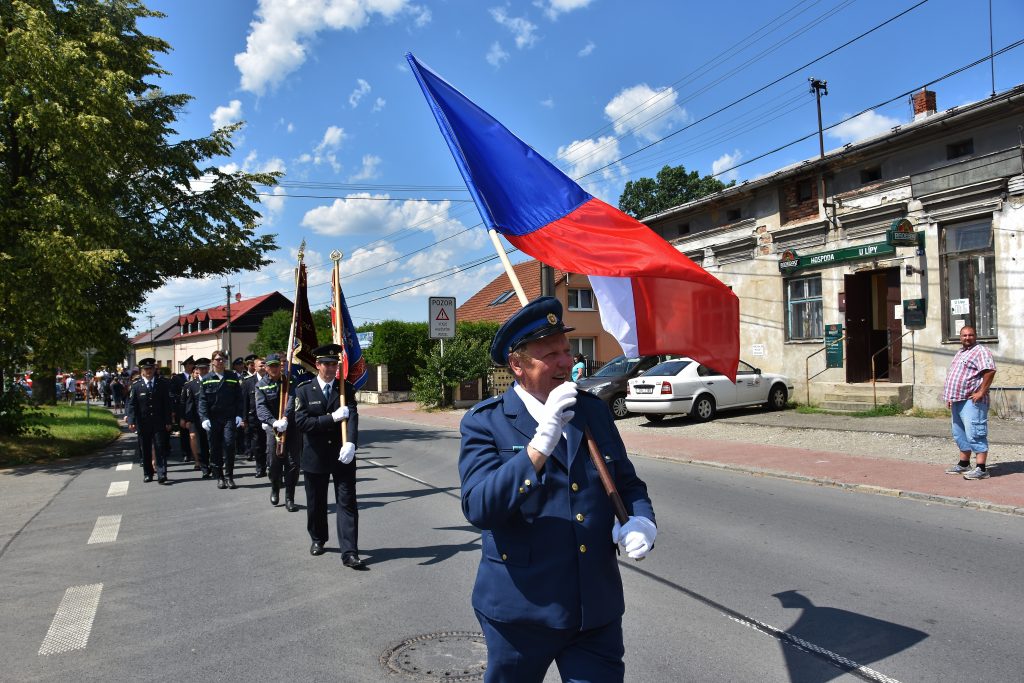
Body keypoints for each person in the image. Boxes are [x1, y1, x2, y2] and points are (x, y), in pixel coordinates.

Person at [459, 296, 656, 683]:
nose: (566, 361)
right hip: (521, 612)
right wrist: (540, 444)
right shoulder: (485, 422)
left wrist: (642, 521)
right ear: (517, 365)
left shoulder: (591, 410)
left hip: (593, 609)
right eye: (550, 354)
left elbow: (628, 483)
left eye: (566, 350)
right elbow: (480, 507)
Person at [294, 343, 365, 568]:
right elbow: (301, 422)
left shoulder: (346, 389)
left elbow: (352, 416)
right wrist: (331, 418)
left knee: (347, 503)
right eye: (326, 364)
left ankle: (350, 551)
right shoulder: (304, 390)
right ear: (317, 365)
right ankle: (318, 538)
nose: (331, 368)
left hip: (342, 454)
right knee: (316, 503)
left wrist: (351, 443)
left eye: (334, 364)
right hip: (315, 456)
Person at [943, 325, 997, 480]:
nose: (967, 338)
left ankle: (981, 469)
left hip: (972, 401)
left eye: (970, 335)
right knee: (959, 433)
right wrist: (950, 397)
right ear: (960, 337)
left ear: (975, 336)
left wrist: (981, 392)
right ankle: (964, 463)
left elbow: (990, 370)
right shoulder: (960, 352)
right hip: (957, 400)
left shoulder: (981, 351)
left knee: (975, 433)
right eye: (964, 335)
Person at [255, 353, 300, 511]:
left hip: (291, 428)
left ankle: (290, 497)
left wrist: (286, 418)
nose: (274, 368)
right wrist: (273, 422)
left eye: (276, 365)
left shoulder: (289, 381)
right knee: (274, 463)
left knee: (293, 464)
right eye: (271, 366)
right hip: (273, 429)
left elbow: (292, 400)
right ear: (266, 368)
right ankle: (275, 486)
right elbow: (260, 407)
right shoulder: (261, 385)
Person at [198, 350, 244, 489]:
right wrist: (204, 418)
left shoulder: (232, 377)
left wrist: (239, 415)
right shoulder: (207, 378)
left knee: (230, 445)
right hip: (213, 419)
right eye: (217, 359)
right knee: (215, 448)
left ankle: (229, 476)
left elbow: (239, 398)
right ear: (212, 361)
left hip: (229, 417)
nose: (220, 361)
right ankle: (220, 477)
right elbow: (203, 401)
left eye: (223, 359)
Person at [125, 358, 174, 484]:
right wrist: (131, 420)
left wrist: (168, 421)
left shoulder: (162, 384)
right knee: (145, 449)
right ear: (142, 371)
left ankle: (162, 473)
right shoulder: (136, 386)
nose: (149, 371)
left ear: (154, 369)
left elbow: (167, 404)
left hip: (159, 422)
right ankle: (148, 473)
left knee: (160, 447)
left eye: (151, 369)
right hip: (143, 423)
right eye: (146, 369)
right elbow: (131, 405)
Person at [183, 358, 213, 477]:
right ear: (197, 370)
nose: (204, 370)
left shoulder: (214, 381)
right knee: (202, 445)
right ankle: (205, 468)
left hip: (213, 418)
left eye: (206, 368)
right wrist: (188, 420)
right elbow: (189, 404)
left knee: (213, 444)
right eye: (201, 368)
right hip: (198, 419)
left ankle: (215, 466)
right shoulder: (191, 385)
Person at [242, 354, 268, 476]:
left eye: (264, 364)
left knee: (270, 444)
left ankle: (271, 466)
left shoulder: (272, 379)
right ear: (255, 367)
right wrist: (244, 419)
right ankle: (260, 467)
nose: (263, 367)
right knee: (257, 445)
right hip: (255, 418)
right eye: (260, 365)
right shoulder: (248, 382)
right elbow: (244, 401)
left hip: (270, 418)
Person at [170, 356, 195, 463]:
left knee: (195, 432)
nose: (192, 366)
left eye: (193, 364)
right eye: (190, 364)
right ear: (185, 366)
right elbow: (172, 393)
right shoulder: (177, 378)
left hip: (194, 409)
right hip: (182, 408)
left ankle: (196, 453)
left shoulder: (196, 377)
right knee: (184, 432)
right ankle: (186, 453)